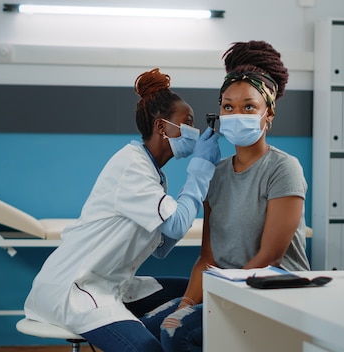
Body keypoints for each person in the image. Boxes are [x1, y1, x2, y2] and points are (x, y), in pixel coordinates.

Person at [23, 68, 220, 352]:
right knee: (146, 350)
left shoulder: (153, 172)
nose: (194, 131)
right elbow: (176, 225)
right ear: (162, 126)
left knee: (195, 291)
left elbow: (161, 247)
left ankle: (137, 333)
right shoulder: (132, 166)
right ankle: (138, 340)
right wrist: (200, 172)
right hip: (75, 288)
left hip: (112, 283)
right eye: (187, 122)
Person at [141, 40, 310, 351]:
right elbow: (208, 258)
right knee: (147, 329)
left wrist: (218, 299)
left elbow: (269, 258)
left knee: (178, 334)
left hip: (274, 290)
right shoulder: (215, 173)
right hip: (228, 287)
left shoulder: (283, 168)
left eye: (249, 106)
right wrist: (188, 302)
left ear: (268, 114)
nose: (236, 114)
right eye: (228, 106)